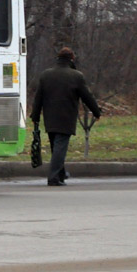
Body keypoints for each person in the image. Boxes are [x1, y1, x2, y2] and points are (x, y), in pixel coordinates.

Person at [29, 46, 102, 186]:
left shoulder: (46, 75)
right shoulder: (76, 76)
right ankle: (54, 177)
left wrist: (35, 115)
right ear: (72, 59)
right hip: (66, 117)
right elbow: (87, 96)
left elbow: (38, 98)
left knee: (56, 147)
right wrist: (96, 112)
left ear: (58, 58)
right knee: (60, 147)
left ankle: (61, 174)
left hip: (49, 116)